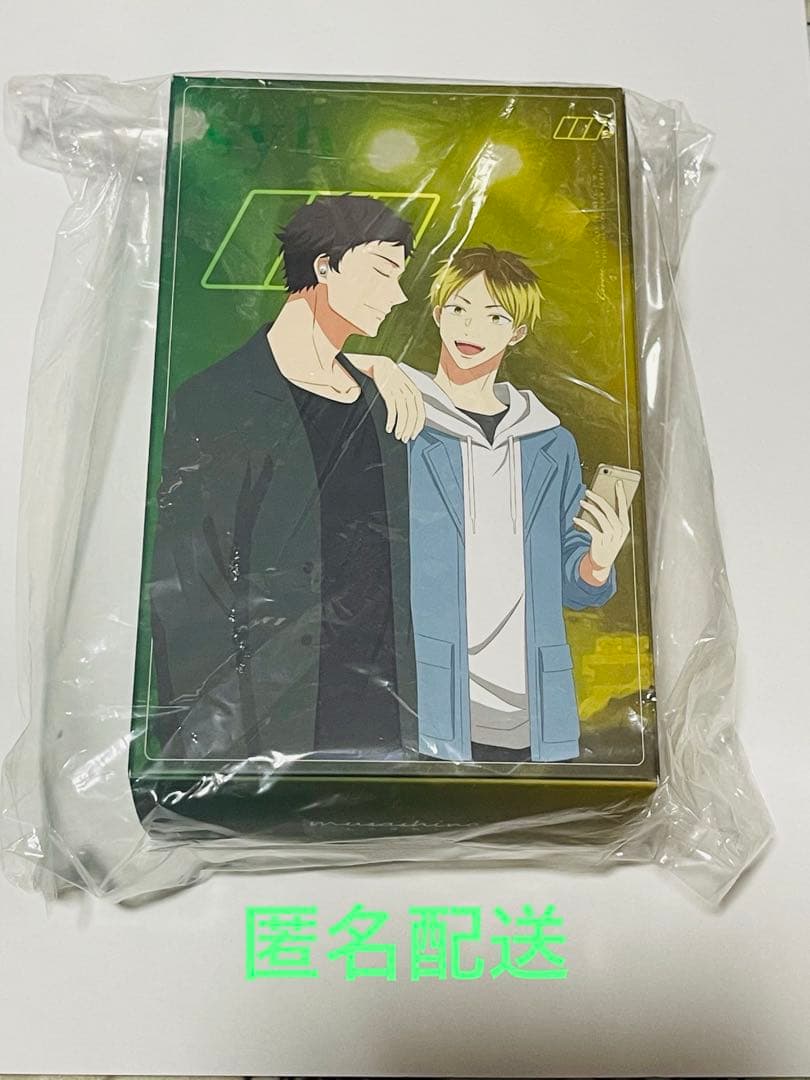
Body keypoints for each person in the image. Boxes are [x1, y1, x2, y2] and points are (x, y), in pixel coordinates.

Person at [148, 195, 425, 763]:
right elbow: (187, 590)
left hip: (388, 725)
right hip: (265, 731)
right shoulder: (218, 397)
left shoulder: (381, 401)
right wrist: (198, 746)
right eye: (382, 271)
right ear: (324, 266)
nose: (397, 296)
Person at [400, 245, 630, 763]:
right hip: (430, 694)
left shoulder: (550, 441)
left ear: (517, 332)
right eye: (459, 308)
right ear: (437, 314)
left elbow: (573, 583)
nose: (472, 328)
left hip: (532, 699)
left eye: (495, 316)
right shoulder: (406, 420)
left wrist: (597, 561)